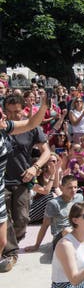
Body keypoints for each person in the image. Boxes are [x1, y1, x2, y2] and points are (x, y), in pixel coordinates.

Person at [1, 94, 52, 268]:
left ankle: (11, 243)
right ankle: (11, 252)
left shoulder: (31, 128)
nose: (14, 115)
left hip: (23, 179)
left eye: (17, 111)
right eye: (9, 111)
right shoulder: (4, 127)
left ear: (24, 109)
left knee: (22, 219)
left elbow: (47, 152)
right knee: (5, 220)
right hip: (3, 182)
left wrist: (35, 167)